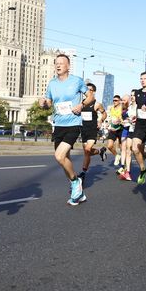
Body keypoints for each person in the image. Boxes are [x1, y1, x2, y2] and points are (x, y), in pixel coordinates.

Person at [39, 54, 94, 205]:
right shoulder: (52, 84)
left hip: (73, 123)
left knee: (59, 156)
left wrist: (82, 105)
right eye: (56, 63)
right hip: (59, 125)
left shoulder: (76, 81)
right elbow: (49, 102)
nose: (58, 65)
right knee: (64, 160)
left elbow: (91, 97)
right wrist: (43, 103)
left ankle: (76, 182)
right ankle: (79, 194)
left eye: (62, 63)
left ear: (68, 66)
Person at [78, 82, 106, 180]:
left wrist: (100, 120)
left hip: (92, 130)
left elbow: (104, 114)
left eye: (89, 90)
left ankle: (83, 172)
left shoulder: (97, 104)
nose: (87, 92)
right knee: (87, 152)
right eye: (86, 90)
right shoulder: (81, 104)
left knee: (87, 150)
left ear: (93, 92)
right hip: (83, 130)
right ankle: (100, 151)